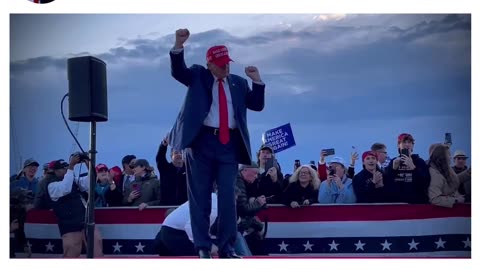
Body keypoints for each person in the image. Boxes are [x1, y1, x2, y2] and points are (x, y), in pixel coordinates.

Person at [168, 28, 265, 258]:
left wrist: (258, 82)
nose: (225, 67)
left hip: (229, 145)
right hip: (201, 143)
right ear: (209, 64)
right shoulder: (198, 75)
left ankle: (227, 247)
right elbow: (178, 71)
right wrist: (178, 46)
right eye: (220, 64)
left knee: (228, 199)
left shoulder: (239, 83)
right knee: (200, 198)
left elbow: (257, 105)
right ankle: (202, 247)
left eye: (227, 63)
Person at [38, 155, 103, 257]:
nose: (66, 170)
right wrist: (71, 167)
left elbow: (90, 183)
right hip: (69, 226)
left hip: (84, 222)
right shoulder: (51, 185)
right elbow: (66, 188)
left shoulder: (72, 180)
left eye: (66, 167)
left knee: (96, 248)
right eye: (63, 168)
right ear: (55, 171)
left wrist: (89, 165)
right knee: (71, 254)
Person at [153, 192, 218, 257]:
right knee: (203, 253)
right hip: (175, 233)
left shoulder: (211, 197)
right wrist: (207, 246)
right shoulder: (215, 208)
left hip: (171, 229)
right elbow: (189, 227)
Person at [384, 133, 430, 204]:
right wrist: (393, 169)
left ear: (412, 145)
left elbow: (426, 183)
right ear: (398, 145)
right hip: (398, 203)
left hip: (417, 203)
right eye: (404, 142)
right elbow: (386, 184)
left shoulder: (419, 161)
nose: (407, 144)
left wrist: (413, 168)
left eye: (409, 142)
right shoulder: (393, 161)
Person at [156, 135, 188, 205]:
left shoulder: (189, 170)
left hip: (184, 207)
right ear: (171, 155)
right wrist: (163, 145)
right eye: (176, 153)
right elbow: (160, 158)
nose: (179, 155)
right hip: (166, 206)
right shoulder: (165, 168)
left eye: (181, 153)